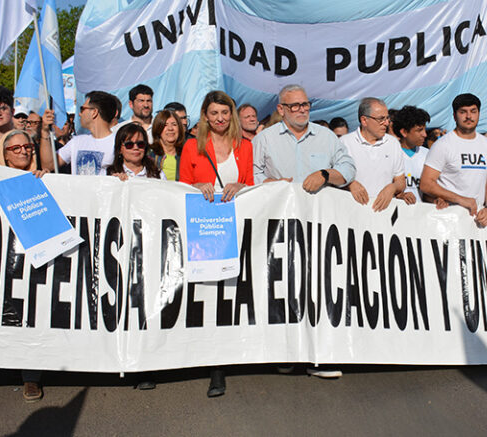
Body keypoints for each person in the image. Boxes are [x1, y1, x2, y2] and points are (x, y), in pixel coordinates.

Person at [252, 84, 354, 380]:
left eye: (305, 104)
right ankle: (286, 353)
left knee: (320, 289)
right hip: (280, 226)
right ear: (281, 109)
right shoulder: (264, 139)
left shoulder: (325, 137)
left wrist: (325, 175)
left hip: (319, 227)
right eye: (294, 105)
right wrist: (273, 184)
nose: (301, 110)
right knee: (283, 289)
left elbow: (348, 167)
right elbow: (255, 177)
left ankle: (320, 357)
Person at [178, 91, 253, 397]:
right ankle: (210, 363)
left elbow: (253, 183)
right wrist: (196, 187)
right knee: (205, 294)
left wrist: (242, 185)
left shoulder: (245, 146)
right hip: (203, 228)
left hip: (234, 227)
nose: (220, 118)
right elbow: (179, 186)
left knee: (231, 294)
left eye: (225, 112)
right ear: (205, 116)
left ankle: (222, 361)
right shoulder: (191, 146)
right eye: (214, 113)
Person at [0, 129, 47, 402]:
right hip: (0, 254)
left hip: (33, 256)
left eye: (27, 146)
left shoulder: (44, 179)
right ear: (3, 153)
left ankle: (31, 377)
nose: (24, 151)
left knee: (32, 313)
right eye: (16, 148)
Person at [420, 93, 487, 227]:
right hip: (447, 219)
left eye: (473, 111)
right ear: (454, 116)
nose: (469, 116)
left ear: (479, 114)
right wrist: (461, 200)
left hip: (477, 221)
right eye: (463, 112)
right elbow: (426, 184)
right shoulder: (442, 145)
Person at [341, 98, 405, 211]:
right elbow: (333, 178)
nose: (386, 123)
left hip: (383, 214)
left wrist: (392, 187)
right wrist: (350, 184)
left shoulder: (393, 143)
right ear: (364, 120)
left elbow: (400, 181)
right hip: (351, 214)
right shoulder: (344, 143)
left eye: (387, 118)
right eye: (381, 119)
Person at [40, 91, 117, 175]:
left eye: (82, 109)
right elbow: (48, 165)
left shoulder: (118, 143)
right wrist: (45, 131)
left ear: (94, 112)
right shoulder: (76, 141)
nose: (79, 114)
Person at [392, 105, 430, 204]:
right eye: (419, 130)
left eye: (424, 129)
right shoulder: (389, 153)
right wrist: (399, 195)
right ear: (404, 132)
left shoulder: (428, 155)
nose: (425, 134)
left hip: (420, 215)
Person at [150, 110, 185, 181]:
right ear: (158, 129)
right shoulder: (149, 154)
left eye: (174, 124)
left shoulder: (186, 154)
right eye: (165, 125)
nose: (170, 128)